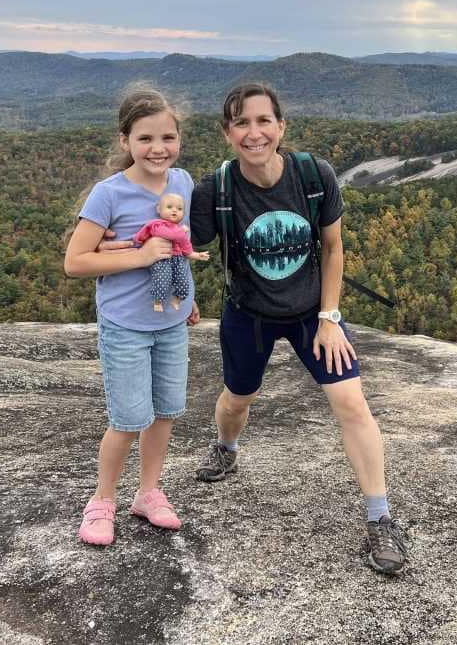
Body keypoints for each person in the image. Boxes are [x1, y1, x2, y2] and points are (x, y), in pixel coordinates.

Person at [188, 82, 409, 575]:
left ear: (281, 127)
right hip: (249, 314)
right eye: (241, 123)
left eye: (263, 120)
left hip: (312, 313)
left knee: (351, 401)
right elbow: (184, 242)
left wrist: (330, 318)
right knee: (237, 399)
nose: (254, 133)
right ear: (227, 133)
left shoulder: (313, 175)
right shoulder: (216, 190)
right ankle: (226, 450)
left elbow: (332, 249)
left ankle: (380, 517)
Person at [64, 88, 198, 545]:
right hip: (125, 324)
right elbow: (76, 261)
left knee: (164, 413)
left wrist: (189, 296)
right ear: (125, 141)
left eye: (168, 137)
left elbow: (179, 244)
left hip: (171, 322)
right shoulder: (109, 194)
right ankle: (102, 502)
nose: (158, 148)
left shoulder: (183, 183)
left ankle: (148, 492)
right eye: (145, 138)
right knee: (127, 418)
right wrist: (139, 258)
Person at [134, 193, 210, 312]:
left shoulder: (178, 229)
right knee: (162, 278)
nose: (174, 210)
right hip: (162, 257)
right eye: (169, 207)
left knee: (183, 282)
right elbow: (169, 235)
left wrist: (197, 255)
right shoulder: (157, 224)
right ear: (159, 209)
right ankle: (158, 301)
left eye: (179, 209)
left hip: (178, 258)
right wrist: (182, 232)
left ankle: (177, 299)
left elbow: (186, 247)